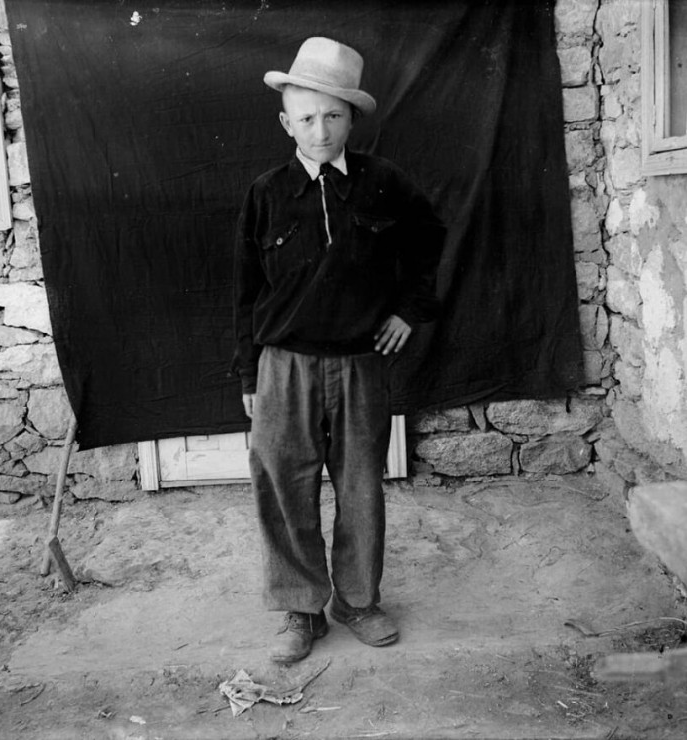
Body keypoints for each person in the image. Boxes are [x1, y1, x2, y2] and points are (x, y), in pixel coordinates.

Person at [232, 36, 445, 664]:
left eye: (332, 116)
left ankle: (357, 600)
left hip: (359, 365)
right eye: (306, 118)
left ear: (352, 119)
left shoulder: (383, 183)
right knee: (283, 487)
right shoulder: (265, 193)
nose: (319, 131)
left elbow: (429, 238)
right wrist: (248, 374)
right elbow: (243, 291)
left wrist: (409, 310)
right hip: (283, 366)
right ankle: (302, 609)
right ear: (286, 123)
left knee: (360, 487)